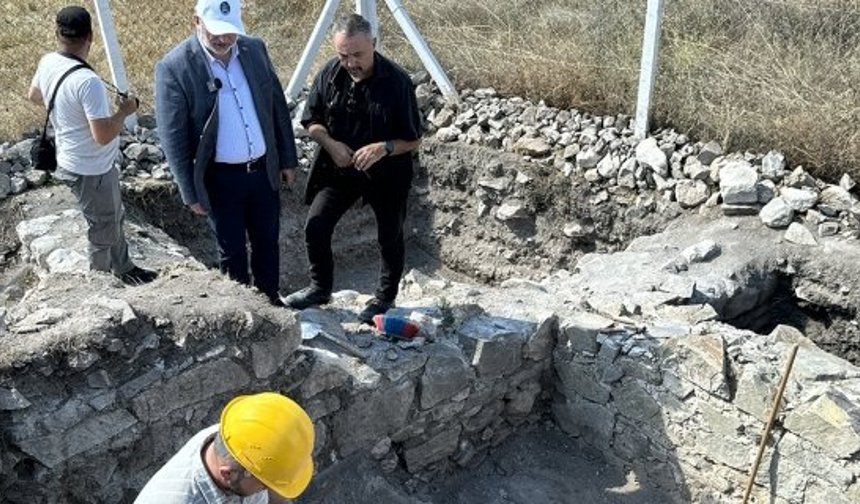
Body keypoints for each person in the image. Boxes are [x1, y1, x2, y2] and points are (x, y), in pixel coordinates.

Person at [282, 14, 423, 324]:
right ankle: (320, 289)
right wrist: (330, 144)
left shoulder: (397, 82)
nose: (350, 63)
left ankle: (384, 298)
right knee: (316, 225)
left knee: (390, 235)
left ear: (374, 44)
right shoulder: (330, 73)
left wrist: (383, 148)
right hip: (340, 168)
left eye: (357, 54)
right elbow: (311, 120)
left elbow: (413, 139)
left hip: (387, 172)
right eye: (343, 55)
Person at [155, 0, 297, 305]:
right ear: (197, 22)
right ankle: (243, 311)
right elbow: (173, 135)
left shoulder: (254, 49)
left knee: (267, 242)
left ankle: (271, 305)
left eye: (229, 32)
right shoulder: (175, 67)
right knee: (232, 251)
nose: (223, 39)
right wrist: (189, 191)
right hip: (220, 180)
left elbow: (275, 104)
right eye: (215, 32)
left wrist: (286, 158)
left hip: (262, 172)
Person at [27, 5, 157, 285]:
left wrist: (66, 111)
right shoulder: (88, 82)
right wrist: (124, 111)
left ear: (58, 34)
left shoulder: (48, 61)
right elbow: (103, 135)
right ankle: (100, 284)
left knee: (113, 217)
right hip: (91, 167)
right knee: (102, 228)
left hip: (74, 159)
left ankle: (124, 267)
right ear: (90, 36)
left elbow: (34, 95)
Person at [135, 392, 315, 503]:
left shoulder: (242, 435)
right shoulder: (173, 499)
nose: (268, 490)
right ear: (227, 474)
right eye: (264, 485)